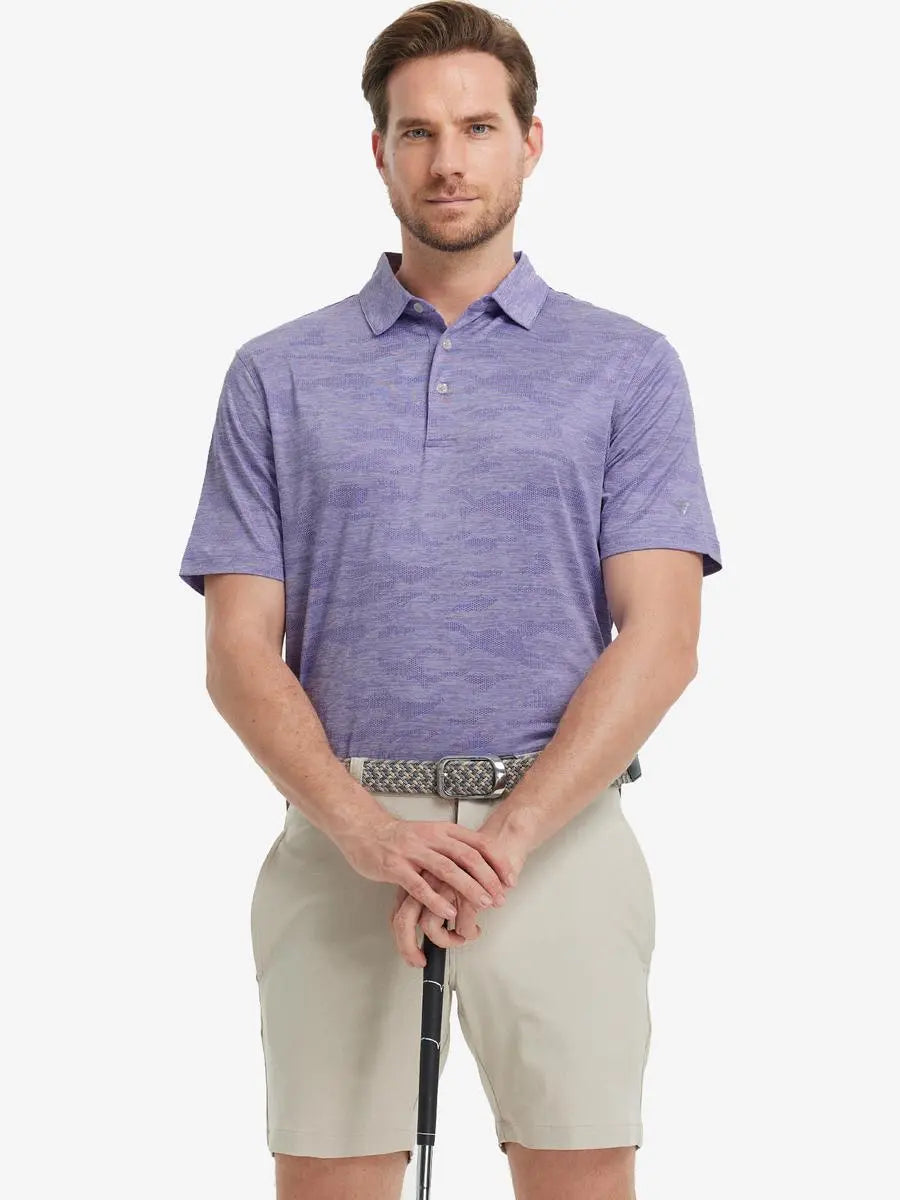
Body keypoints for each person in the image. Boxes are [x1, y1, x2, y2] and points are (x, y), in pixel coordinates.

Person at [178, 3, 723, 1196]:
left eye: (479, 127)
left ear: (533, 141)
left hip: (561, 835)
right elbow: (238, 649)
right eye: (418, 132)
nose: (449, 160)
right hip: (342, 837)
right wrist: (373, 836)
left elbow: (665, 636)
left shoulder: (628, 366)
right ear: (378, 151)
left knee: (583, 1176)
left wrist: (508, 838)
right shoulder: (276, 374)